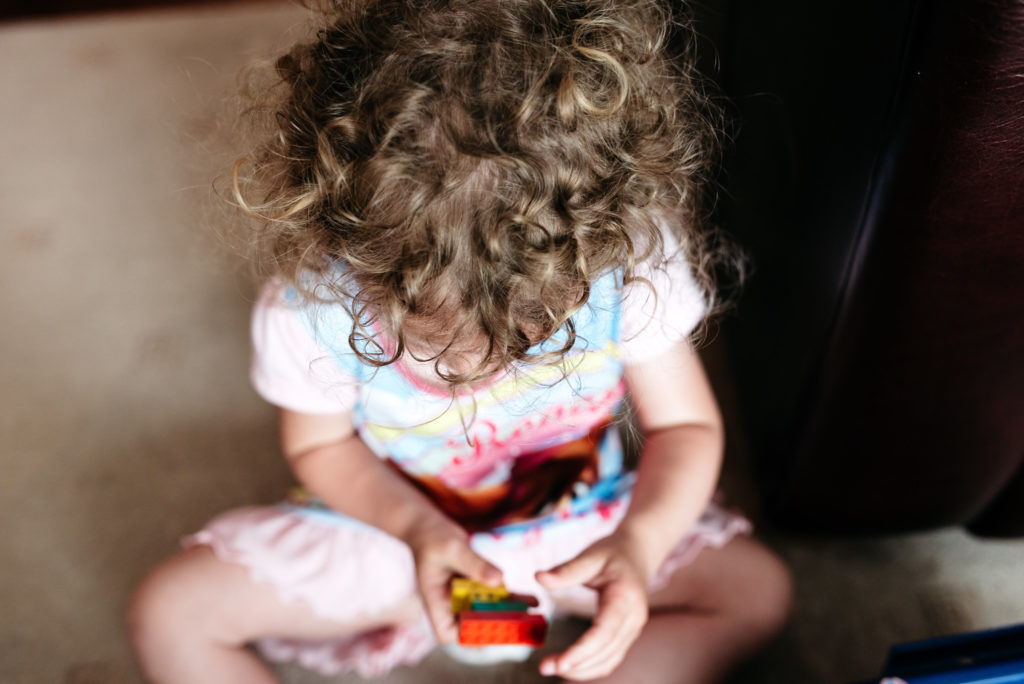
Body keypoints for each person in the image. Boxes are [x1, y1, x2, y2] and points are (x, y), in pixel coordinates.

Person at [127, 0, 791, 682]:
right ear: (350, 242)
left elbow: (685, 426)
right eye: (424, 338)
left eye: (526, 337)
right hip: (394, 539)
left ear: (593, 244)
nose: (471, 372)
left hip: (586, 530)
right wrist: (417, 531)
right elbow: (319, 445)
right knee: (171, 613)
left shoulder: (630, 264)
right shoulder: (313, 307)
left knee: (756, 591)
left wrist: (639, 548)